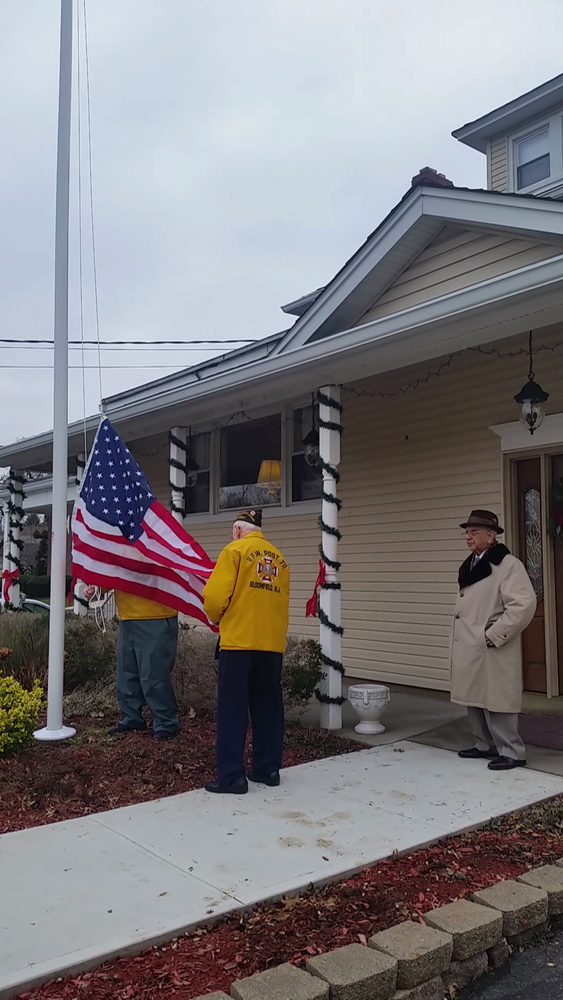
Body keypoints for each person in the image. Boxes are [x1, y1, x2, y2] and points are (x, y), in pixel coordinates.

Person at [202, 509, 290, 794]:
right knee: (268, 707)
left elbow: (214, 598)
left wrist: (215, 617)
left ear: (239, 530)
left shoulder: (234, 551)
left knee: (233, 709)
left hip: (239, 643)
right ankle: (268, 768)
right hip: (271, 645)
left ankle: (231, 777)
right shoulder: (280, 560)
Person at [450, 509, 536, 771]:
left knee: (499, 699)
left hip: (492, 644)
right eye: (467, 532)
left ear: (491, 535)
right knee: (473, 697)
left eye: (473, 532)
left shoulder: (509, 565)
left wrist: (494, 634)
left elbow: (524, 604)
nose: (468, 537)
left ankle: (512, 750)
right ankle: (484, 744)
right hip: (470, 643)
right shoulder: (472, 563)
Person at [83, 586, 179, 740]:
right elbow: (120, 569)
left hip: (156, 614)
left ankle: (165, 723)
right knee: (127, 673)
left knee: (154, 673)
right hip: (128, 616)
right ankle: (132, 718)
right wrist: (100, 587)